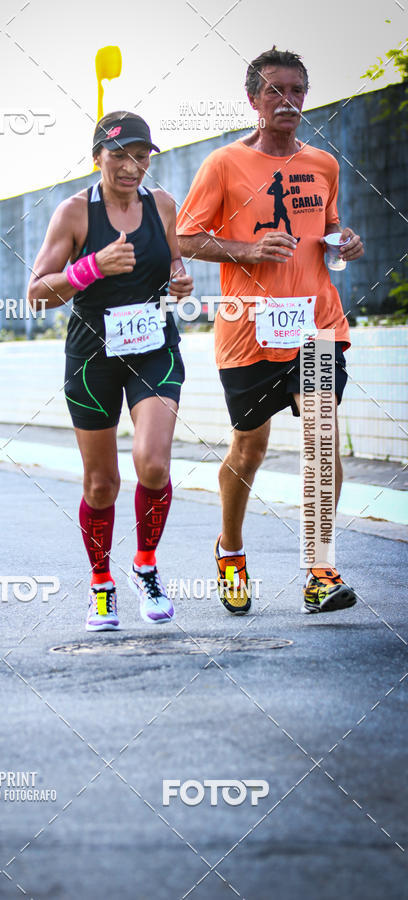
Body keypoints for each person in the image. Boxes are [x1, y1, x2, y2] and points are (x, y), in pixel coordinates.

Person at [176, 48, 364, 615]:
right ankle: (230, 550)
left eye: (296, 91)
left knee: (322, 438)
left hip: (316, 325)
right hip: (248, 331)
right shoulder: (224, 164)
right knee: (250, 448)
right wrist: (248, 249)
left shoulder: (323, 164)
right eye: (274, 91)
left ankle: (319, 570)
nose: (287, 101)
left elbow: (327, 230)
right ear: (253, 99)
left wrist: (345, 243)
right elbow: (185, 238)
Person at [28, 111, 193, 631]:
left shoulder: (161, 204)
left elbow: (173, 260)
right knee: (102, 485)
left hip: (152, 348)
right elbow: (36, 294)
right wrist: (92, 267)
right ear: (97, 157)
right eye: (119, 155)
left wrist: (179, 277)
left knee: (154, 464)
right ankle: (101, 584)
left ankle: (145, 566)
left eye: (141, 157)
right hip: (92, 358)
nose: (130, 167)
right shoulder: (74, 213)